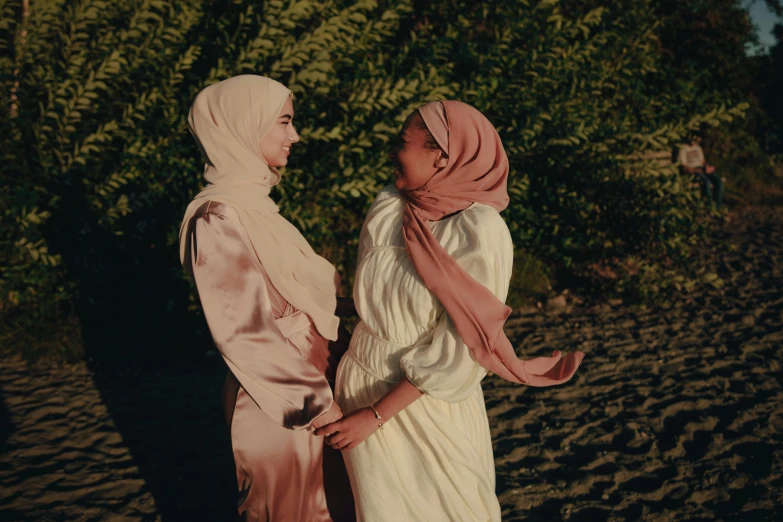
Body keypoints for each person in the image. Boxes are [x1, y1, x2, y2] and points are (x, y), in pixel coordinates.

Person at [315, 100, 584, 521]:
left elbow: (462, 344)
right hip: (360, 382)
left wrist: (375, 415)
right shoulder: (389, 206)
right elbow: (381, 298)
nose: (391, 153)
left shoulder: (480, 231)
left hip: (423, 402)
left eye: (402, 143)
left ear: (442, 155)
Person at [179, 75, 354, 521]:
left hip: (311, 378)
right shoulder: (216, 217)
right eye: (283, 122)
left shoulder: (254, 205)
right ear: (243, 124)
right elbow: (243, 332)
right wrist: (316, 403)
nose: (293, 136)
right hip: (278, 398)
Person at [678, 132, 724, 208]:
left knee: (718, 181)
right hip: (693, 171)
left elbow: (702, 161)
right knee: (707, 182)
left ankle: (717, 207)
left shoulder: (698, 148)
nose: (697, 141)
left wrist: (708, 167)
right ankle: (709, 206)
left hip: (702, 169)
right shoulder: (683, 149)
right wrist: (696, 170)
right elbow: (684, 167)